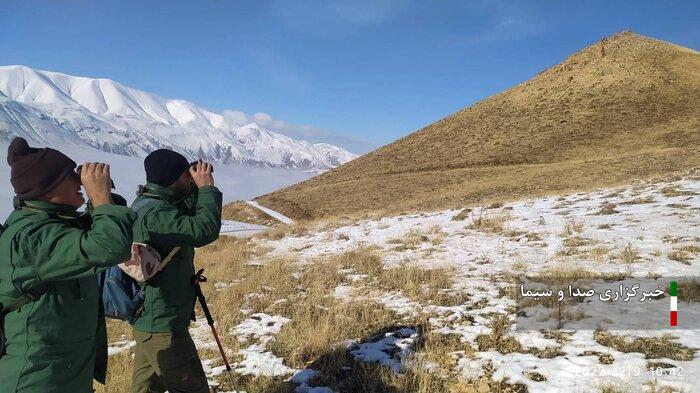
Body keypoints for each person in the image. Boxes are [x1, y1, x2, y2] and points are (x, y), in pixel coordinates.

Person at [0, 137, 137, 392]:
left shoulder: (55, 223)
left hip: (62, 375)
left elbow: (99, 230)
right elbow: (108, 246)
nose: (79, 182)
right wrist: (99, 196)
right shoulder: (32, 237)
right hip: (37, 380)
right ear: (48, 187)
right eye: (70, 176)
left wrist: (103, 199)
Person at [130, 149, 222, 393]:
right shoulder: (156, 214)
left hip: (150, 320)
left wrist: (192, 186)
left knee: (147, 389)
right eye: (185, 174)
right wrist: (207, 189)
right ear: (174, 179)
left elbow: (183, 213)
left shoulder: (150, 202)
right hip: (163, 324)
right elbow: (204, 230)